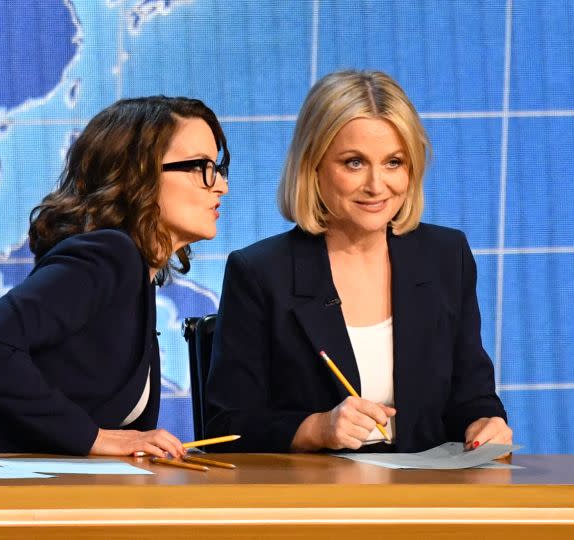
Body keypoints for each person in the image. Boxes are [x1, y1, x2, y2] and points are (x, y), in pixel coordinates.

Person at [0, 96, 229, 456]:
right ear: (137, 174)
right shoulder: (108, 255)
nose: (220, 185)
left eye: (219, 168)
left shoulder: (136, 278)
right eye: (201, 167)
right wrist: (93, 438)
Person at [204, 70, 510, 453]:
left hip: (426, 497)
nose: (376, 185)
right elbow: (228, 426)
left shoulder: (446, 257)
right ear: (313, 167)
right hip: (316, 501)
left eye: (394, 162)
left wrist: (487, 423)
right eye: (354, 163)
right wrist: (318, 428)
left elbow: (472, 397)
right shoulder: (262, 272)